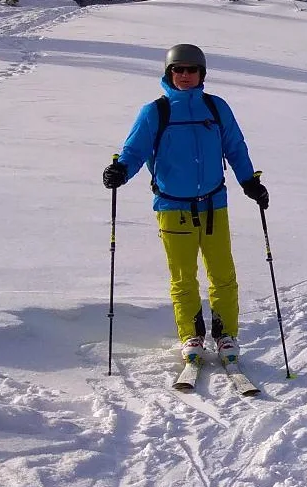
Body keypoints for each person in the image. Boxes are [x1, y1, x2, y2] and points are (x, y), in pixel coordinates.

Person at [100, 43, 269, 365]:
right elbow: (135, 150)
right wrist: (120, 169)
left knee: (223, 275)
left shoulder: (216, 108)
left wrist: (250, 182)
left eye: (192, 70)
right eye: (179, 69)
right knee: (183, 277)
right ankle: (191, 335)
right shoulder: (155, 112)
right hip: (172, 207)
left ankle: (225, 335)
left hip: (213, 205)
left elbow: (235, 147)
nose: (185, 75)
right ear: (169, 73)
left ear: (201, 73)